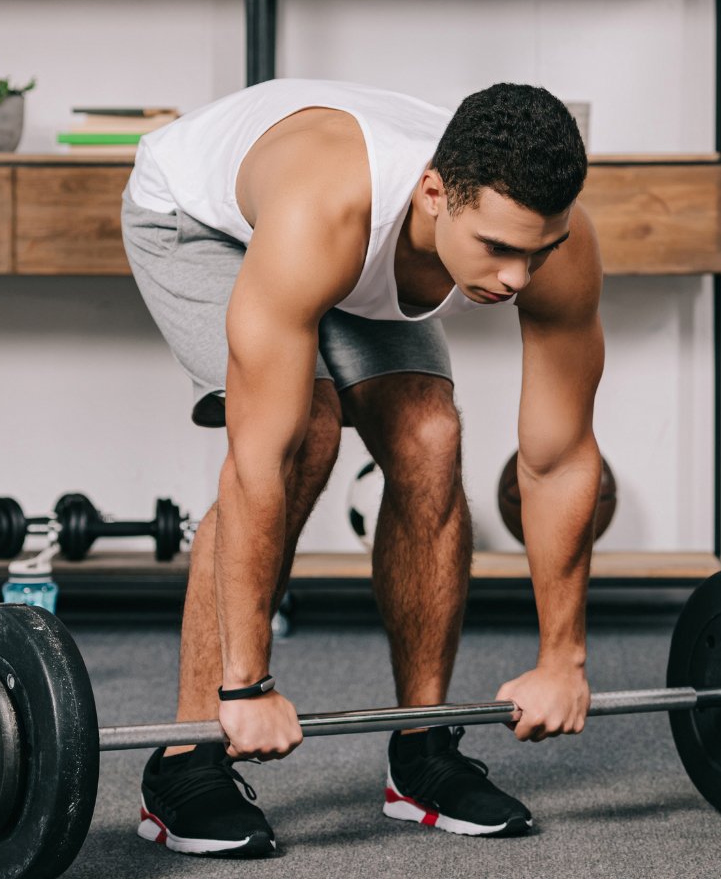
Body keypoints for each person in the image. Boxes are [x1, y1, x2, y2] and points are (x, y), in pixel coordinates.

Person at [120, 78, 606, 857]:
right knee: (305, 431)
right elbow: (259, 463)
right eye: (499, 249)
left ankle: (422, 754)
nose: (518, 277)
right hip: (200, 220)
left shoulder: (557, 246)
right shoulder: (327, 207)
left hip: (357, 249)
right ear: (436, 194)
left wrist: (562, 658)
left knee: (430, 437)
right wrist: (245, 684)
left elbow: (559, 459)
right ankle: (184, 765)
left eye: (536, 251)